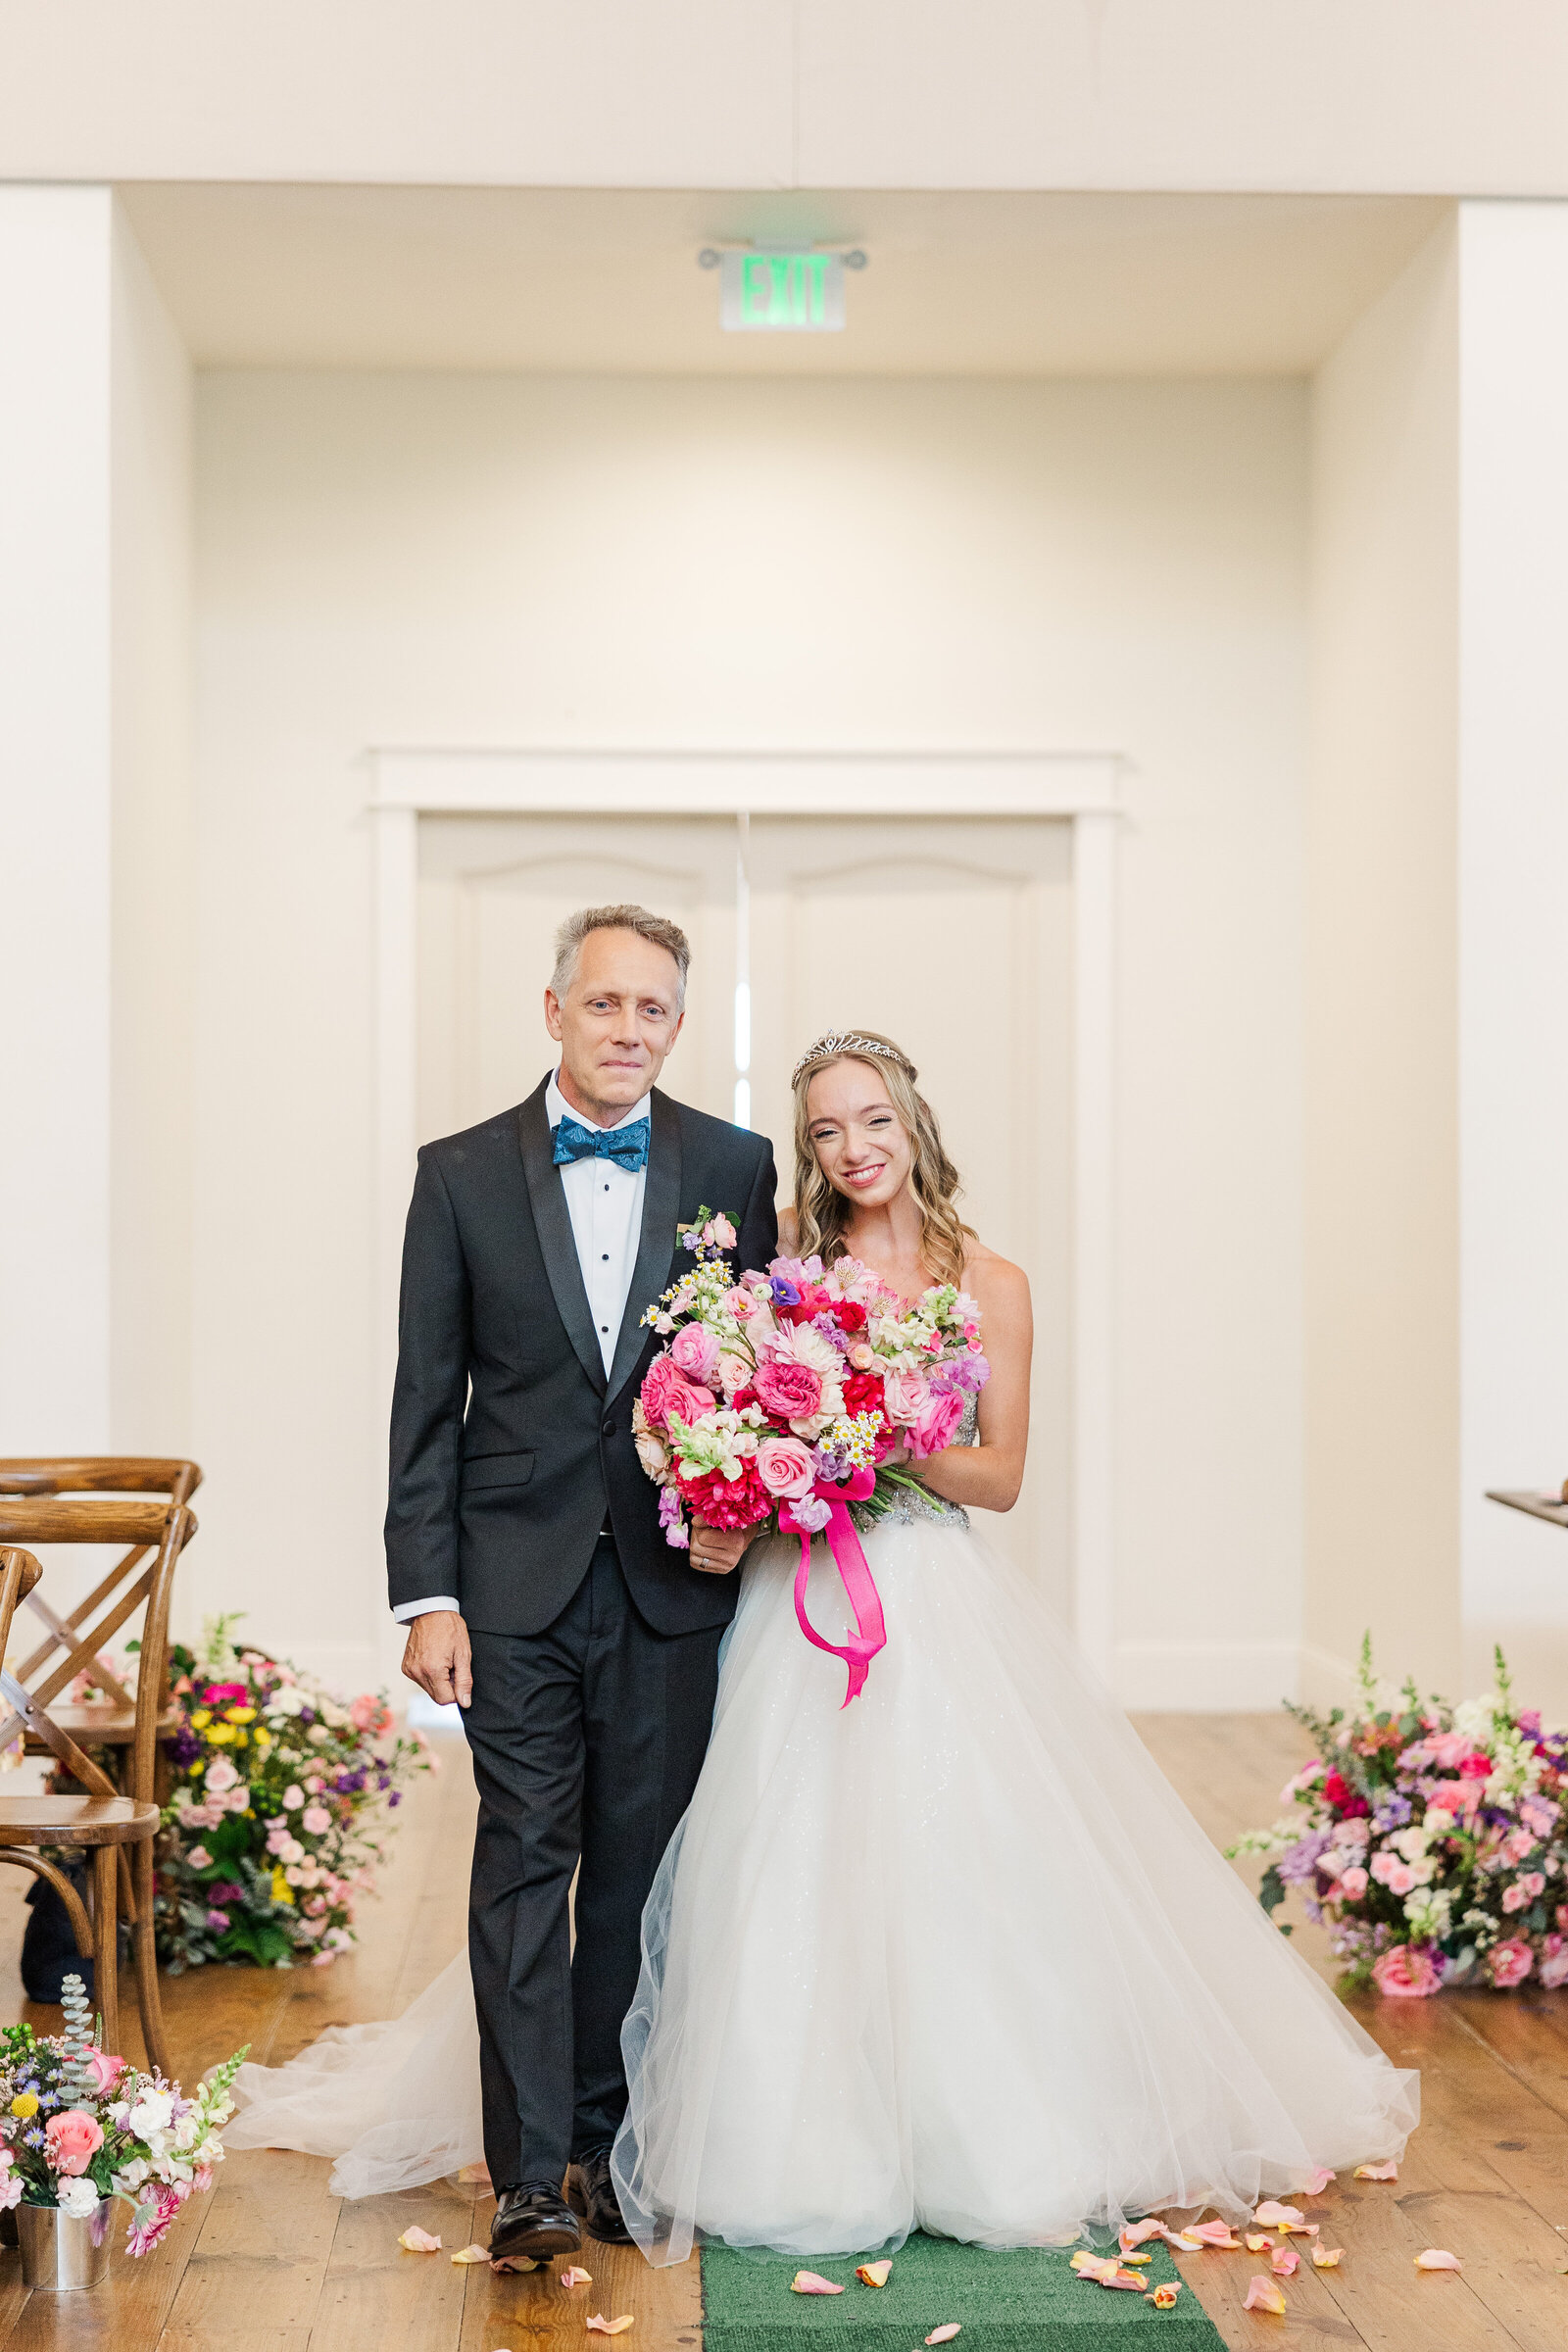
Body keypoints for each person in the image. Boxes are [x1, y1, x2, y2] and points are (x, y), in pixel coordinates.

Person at [607, 1029, 1418, 2262]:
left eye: (870, 1120)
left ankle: (991, 2138)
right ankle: (790, 2145)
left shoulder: (991, 1280)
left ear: (913, 1123)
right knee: (776, 1852)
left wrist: (858, 1428)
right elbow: (727, 1400)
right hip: (798, 1592)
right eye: (825, 1129)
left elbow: (997, 1476)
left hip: (926, 1588)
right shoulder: (781, 1258)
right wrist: (770, 1451)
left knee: (954, 1859)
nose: (851, 1148)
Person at [227, 905, 777, 2263]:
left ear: (680, 1026)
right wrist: (428, 1597)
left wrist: (742, 1519)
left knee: (640, 1879)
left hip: (669, 1586)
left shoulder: (735, 1164)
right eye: (604, 1005)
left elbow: (764, 1373)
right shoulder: (461, 1173)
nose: (627, 1030)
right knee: (528, 1862)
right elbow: (428, 1401)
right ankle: (527, 2173)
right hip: (509, 1588)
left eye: (653, 1009)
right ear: (552, 1012)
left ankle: (602, 2146)